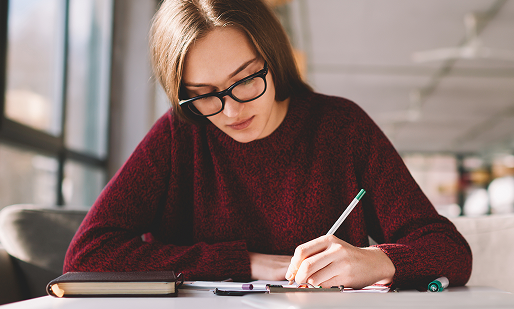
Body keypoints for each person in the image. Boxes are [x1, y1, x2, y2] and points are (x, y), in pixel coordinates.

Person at [63, 0, 472, 290]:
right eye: (203, 94)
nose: (229, 112)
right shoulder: (179, 134)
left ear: (273, 58)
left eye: (244, 80)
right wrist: (243, 263)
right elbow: (86, 256)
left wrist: (379, 261)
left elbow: (450, 250)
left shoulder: (341, 127)